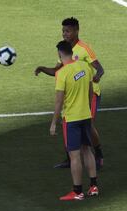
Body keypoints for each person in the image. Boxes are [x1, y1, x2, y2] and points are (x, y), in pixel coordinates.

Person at [35, 17, 104, 169]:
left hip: (89, 93)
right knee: (67, 123)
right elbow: (56, 71)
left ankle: (98, 154)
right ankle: (70, 158)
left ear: (76, 31)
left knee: (88, 125)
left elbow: (100, 68)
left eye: (68, 31)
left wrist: (97, 76)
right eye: (63, 31)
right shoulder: (64, 50)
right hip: (72, 93)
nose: (64, 34)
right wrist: (42, 68)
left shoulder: (84, 48)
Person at [50, 40, 99, 200]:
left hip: (71, 119)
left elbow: (58, 101)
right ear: (72, 51)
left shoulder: (62, 73)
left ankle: (77, 192)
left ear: (59, 53)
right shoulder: (85, 67)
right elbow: (91, 92)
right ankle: (93, 186)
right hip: (86, 115)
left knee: (74, 155)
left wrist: (53, 122)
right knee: (87, 150)